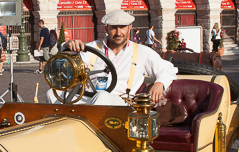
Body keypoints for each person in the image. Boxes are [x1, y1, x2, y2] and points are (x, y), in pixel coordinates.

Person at [46, 9, 177, 106]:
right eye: (114, 28)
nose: (118, 33)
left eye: (122, 27)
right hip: (87, 97)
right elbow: (67, 60)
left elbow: (168, 69)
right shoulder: (93, 47)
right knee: (52, 94)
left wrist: (160, 83)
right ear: (106, 29)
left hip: (120, 102)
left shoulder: (141, 51)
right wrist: (69, 45)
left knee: (102, 96)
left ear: (129, 28)